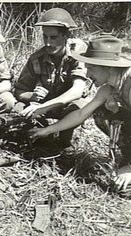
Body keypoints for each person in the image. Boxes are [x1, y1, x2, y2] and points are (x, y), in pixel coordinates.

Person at [29, 35, 131, 197]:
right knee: (101, 112)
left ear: (108, 67)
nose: (88, 73)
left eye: (92, 68)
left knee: (127, 190)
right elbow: (81, 114)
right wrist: (47, 130)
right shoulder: (107, 89)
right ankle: (130, 154)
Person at [14, 8, 89, 149]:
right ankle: (39, 136)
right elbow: (19, 91)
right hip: (42, 106)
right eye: (45, 37)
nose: (48, 43)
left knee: (80, 106)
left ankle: (64, 143)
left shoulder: (77, 54)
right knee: (17, 107)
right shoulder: (36, 58)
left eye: (53, 37)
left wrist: (43, 107)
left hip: (65, 106)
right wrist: (32, 96)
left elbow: (77, 91)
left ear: (66, 36)